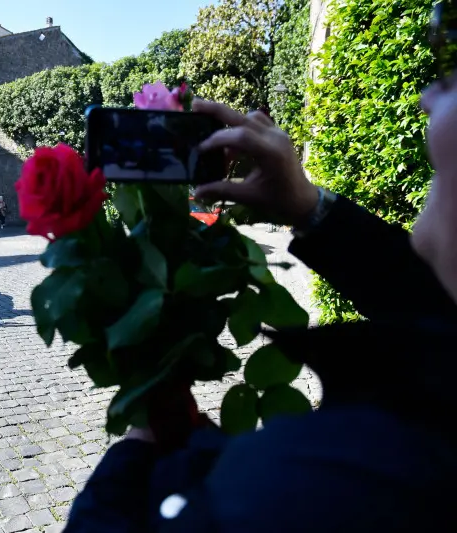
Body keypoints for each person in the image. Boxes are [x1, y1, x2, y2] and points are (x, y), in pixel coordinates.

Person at [64, 2, 457, 531]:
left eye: (452, 58)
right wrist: (307, 206)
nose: (426, 94)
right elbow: (430, 312)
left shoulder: (314, 483)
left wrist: (135, 457)